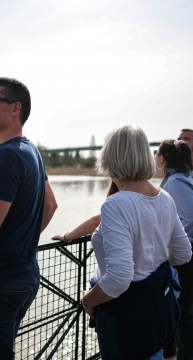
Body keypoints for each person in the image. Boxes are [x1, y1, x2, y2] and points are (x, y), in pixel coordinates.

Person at [0, 76, 58, 360]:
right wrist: (20, 241)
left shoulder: (7, 157)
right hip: (25, 275)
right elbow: (51, 206)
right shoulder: (30, 151)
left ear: (15, 108)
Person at [80, 125, 192, 360]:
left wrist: (88, 300)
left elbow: (119, 278)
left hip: (125, 317)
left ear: (110, 157)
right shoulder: (165, 197)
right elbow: (183, 254)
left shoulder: (116, 204)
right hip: (158, 309)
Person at [155, 139, 193, 360]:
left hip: (185, 257)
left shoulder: (176, 182)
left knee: (181, 312)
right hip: (185, 254)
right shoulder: (185, 177)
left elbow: (188, 218)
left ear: (163, 159)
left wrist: (179, 245)